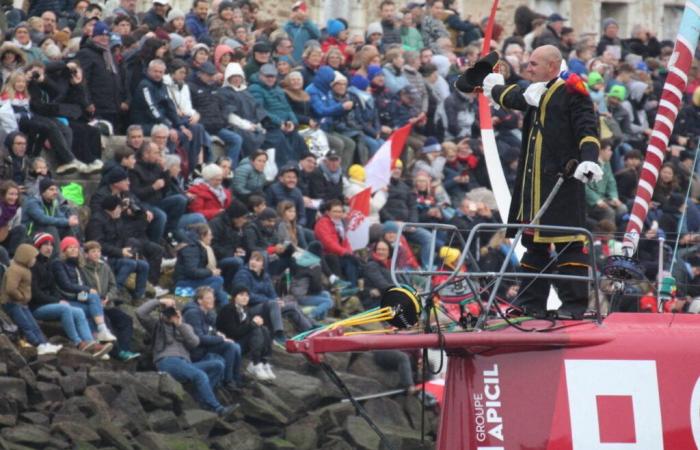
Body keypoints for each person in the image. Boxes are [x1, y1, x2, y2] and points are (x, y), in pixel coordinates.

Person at [485, 44, 602, 317]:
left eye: (534, 64)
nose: (528, 68)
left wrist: (589, 158)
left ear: (552, 66)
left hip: (561, 183)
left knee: (569, 243)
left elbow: (587, 128)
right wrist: (493, 88)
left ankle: (574, 306)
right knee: (533, 246)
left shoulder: (573, 91)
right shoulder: (537, 90)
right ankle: (530, 304)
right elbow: (514, 97)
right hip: (533, 187)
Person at [136, 296, 237, 417]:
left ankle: (200, 399)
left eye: (173, 310)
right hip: (167, 361)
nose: (170, 314)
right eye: (168, 311)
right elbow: (140, 313)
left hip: (186, 364)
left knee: (217, 365)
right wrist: (160, 301)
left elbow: (194, 342)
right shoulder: (157, 326)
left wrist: (179, 324)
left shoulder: (186, 327)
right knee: (200, 375)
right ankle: (218, 409)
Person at [51, 237, 118, 343]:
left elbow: (113, 285)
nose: (73, 250)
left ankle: (101, 333)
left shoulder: (77, 264)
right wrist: (88, 289)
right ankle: (96, 336)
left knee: (94, 302)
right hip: (66, 297)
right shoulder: (58, 263)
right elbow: (65, 285)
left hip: (77, 296)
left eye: (75, 248)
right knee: (90, 305)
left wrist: (104, 297)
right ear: (64, 250)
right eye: (70, 248)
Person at [82, 241, 140, 362]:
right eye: (93, 252)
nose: (97, 254)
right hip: (93, 307)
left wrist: (109, 297)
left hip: (108, 304)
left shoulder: (105, 266)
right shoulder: (82, 269)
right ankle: (117, 353)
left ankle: (125, 350)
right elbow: (81, 288)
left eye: (98, 251)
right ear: (86, 254)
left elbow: (113, 286)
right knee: (107, 325)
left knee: (126, 319)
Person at [0, 243, 63, 355]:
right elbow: (10, 289)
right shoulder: (14, 269)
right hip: (12, 303)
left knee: (34, 325)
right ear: (25, 257)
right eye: (33, 257)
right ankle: (38, 345)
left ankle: (44, 343)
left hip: (22, 304)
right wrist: (21, 297)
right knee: (26, 326)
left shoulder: (25, 269)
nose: (34, 260)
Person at [182, 286, 242, 391]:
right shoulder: (193, 313)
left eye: (213, 297)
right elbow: (199, 338)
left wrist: (219, 335)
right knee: (230, 346)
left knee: (235, 346)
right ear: (200, 301)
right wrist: (221, 339)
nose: (213, 300)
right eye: (208, 298)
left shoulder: (208, 312)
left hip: (206, 347)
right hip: (197, 352)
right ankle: (228, 381)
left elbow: (212, 330)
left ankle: (236, 379)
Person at [217, 285, 275, 381]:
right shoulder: (228, 309)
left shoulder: (245, 310)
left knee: (263, 329)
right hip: (229, 344)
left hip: (239, 342)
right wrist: (253, 324)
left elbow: (245, 329)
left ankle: (263, 362)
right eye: (241, 295)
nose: (245, 298)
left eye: (247, 295)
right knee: (255, 329)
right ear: (234, 297)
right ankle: (255, 363)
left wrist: (255, 324)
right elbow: (234, 332)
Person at [173, 223, 228, 306]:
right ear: (202, 236)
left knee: (222, 295)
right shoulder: (192, 248)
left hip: (192, 280)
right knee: (218, 280)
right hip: (183, 283)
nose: (211, 237)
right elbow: (192, 272)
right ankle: (200, 298)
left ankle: (224, 317)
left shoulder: (199, 247)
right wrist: (211, 272)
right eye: (209, 235)